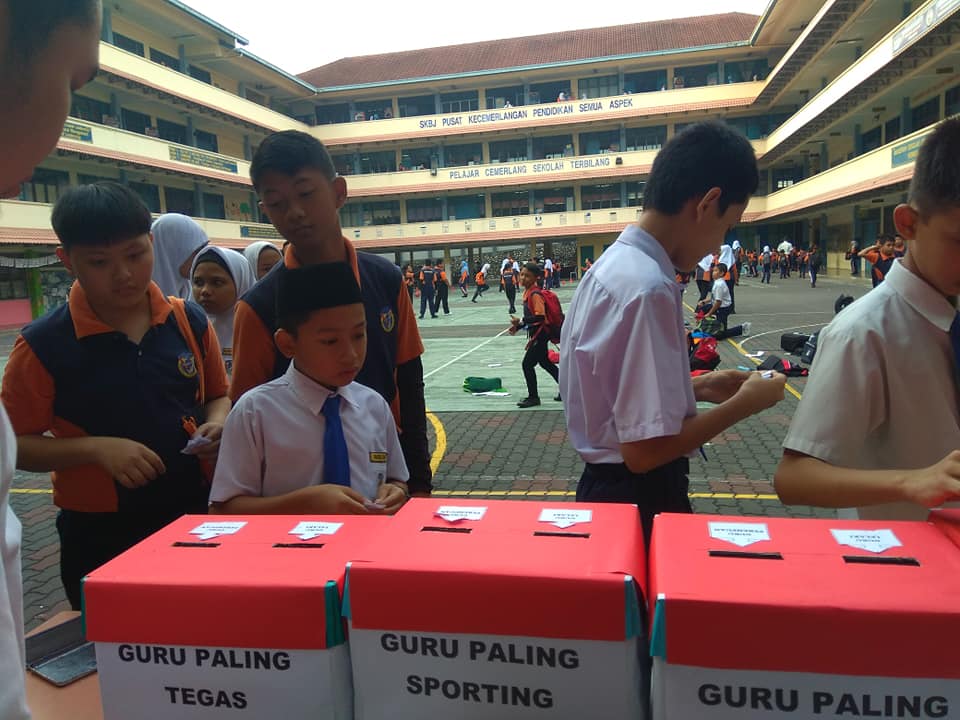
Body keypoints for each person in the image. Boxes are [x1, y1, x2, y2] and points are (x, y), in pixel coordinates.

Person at [1, 182, 230, 610]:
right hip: (101, 532)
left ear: (151, 243)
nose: (124, 274)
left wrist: (217, 421)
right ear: (67, 261)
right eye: (100, 262)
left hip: (194, 515)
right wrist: (95, 450)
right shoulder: (44, 345)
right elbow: (14, 446)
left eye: (135, 254)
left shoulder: (188, 320)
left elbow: (218, 394)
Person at [559, 122, 786, 544]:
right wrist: (747, 405)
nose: (718, 246)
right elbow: (645, 453)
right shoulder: (650, 289)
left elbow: (608, 392)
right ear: (708, 203)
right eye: (728, 226)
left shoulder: (611, 269)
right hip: (640, 497)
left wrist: (695, 386)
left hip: (606, 492)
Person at [228, 130, 433, 496]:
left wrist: (416, 483)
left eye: (306, 194)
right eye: (276, 203)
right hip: (294, 499)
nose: (295, 213)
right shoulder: (258, 307)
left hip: (380, 475)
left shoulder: (385, 280)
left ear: (339, 192)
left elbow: (408, 381)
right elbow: (244, 414)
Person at [775, 118, 960, 521]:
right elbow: (795, 478)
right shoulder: (861, 335)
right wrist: (911, 482)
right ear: (908, 224)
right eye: (959, 241)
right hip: (903, 568)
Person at [0, 1, 102, 715]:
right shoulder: (41, 342)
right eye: (77, 78)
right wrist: (97, 450)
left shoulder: (179, 325)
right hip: (91, 529)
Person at [210, 264, 409, 515]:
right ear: (287, 343)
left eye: (359, 335)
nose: (351, 355)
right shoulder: (255, 412)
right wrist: (305, 503)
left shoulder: (374, 405)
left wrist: (395, 491)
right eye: (330, 341)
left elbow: (396, 479)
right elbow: (223, 509)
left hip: (364, 550)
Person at [191, 246, 254, 376]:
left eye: (217, 282)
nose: (205, 291)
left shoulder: (259, 328)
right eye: (198, 282)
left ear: (240, 282)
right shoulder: (185, 328)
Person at [509, 263, 560, 408]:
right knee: (545, 363)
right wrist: (518, 326)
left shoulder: (535, 294)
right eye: (522, 274)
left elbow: (540, 317)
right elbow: (532, 319)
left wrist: (521, 321)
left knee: (527, 365)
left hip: (540, 335)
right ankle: (566, 389)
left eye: (527, 276)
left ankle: (533, 397)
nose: (523, 278)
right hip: (537, 333)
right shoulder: (528, 292)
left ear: (536, 278)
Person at [151, 213, 210, 299]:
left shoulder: (193, 297)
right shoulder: (136, 305)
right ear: (173, 251)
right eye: (197, 251)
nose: (203, 258)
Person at [700, 263, 751, 340]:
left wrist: (709, 313)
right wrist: (704, 302)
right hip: (717, 306)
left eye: (716, 271)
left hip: (723, 309)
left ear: (721, 273)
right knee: (701, 309)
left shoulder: (719, 284)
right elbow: (714, 297)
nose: (713, 273)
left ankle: (742, 328)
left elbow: (718, 302)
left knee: (720, 335)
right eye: (713, 271)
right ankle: (705, 327)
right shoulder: (716, 282)